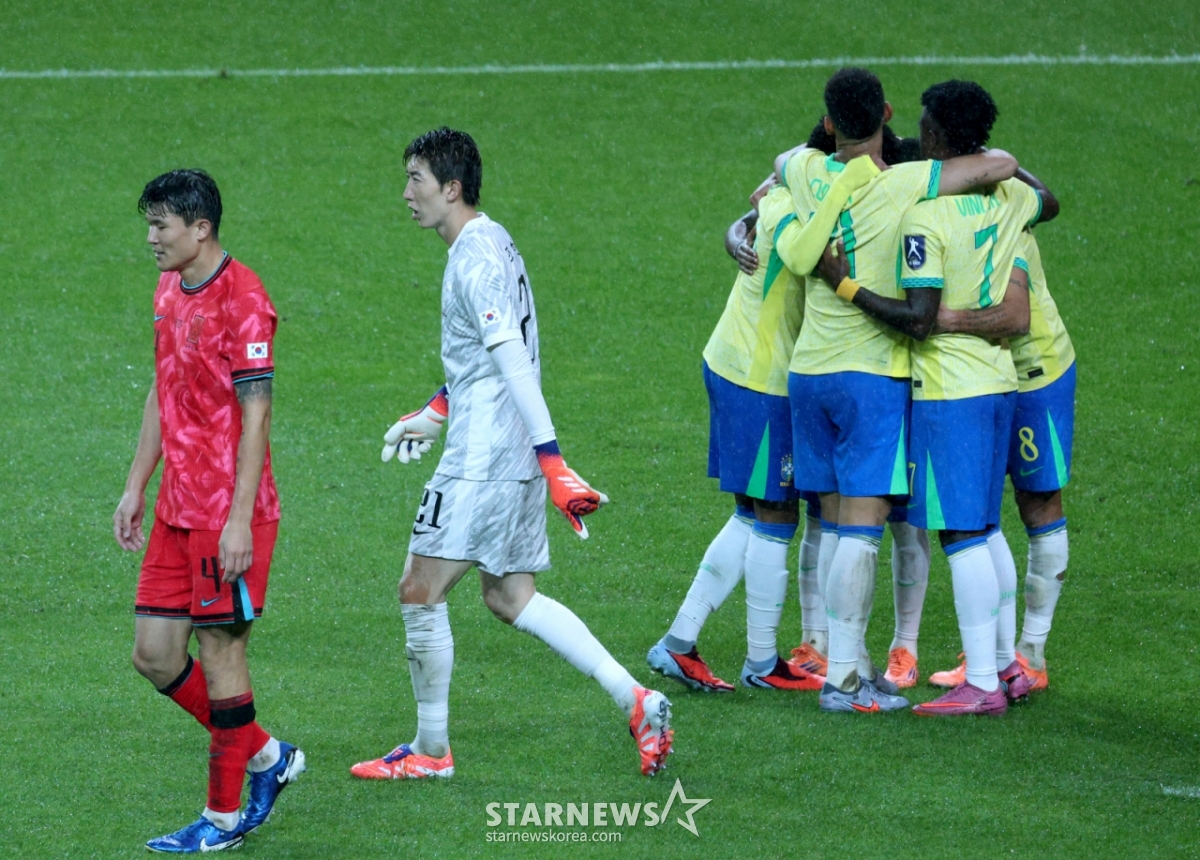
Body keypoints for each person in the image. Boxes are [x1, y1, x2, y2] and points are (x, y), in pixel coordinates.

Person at [350, 127, 673, 779]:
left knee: (419, 590)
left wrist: (554, 462)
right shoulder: (490, 239)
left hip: (489, 456)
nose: (405, 193)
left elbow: (515, 363)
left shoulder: (472, 258)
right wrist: (436, 413)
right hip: (505, 449)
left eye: (416, 180)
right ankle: (636, 700)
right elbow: (483, 358)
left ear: (451, 188)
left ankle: (431, 752)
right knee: (510, 596)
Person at [775, 67, 1021, 713]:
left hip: (808, 374)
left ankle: (840, 662)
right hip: (870, 379)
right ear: (887, 114)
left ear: (829, 123)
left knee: (828, 525)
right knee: (861, 529)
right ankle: (846, 682)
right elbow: (997, 165)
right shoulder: (910, 181)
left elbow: (781, 161)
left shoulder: (804, 170)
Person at [113, 169, 303, 853]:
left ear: (201, 228)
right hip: (175, 508)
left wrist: (237, 521)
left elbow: (257, 418)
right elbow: (162, 391)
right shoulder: (169, 288)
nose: (151, 237)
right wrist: (138, 484)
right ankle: (268, 757)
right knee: (155, 654)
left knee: (221, 654)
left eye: (161, 225)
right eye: (150, 223)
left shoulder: (244, 300)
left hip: (229, 513)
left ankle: (222, 820)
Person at [647, 151, 877, 693]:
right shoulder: (798, 215)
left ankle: (680, 643)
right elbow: (801, 255)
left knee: (752, 513)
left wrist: (742, 223)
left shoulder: (779, 199)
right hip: (760, 377)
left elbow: (762, 200)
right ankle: (761, 662)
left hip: (737, 364)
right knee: (776, 515)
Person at [928, 227, 1074, 692]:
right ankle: (993, 658)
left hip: (1035, 371)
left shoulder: (1008, 202)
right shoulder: (968, 197)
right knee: (979, 513)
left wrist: (945, 319)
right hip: (987, 376)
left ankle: (1030, 654)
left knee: (1038, 501)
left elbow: (1017, 317)